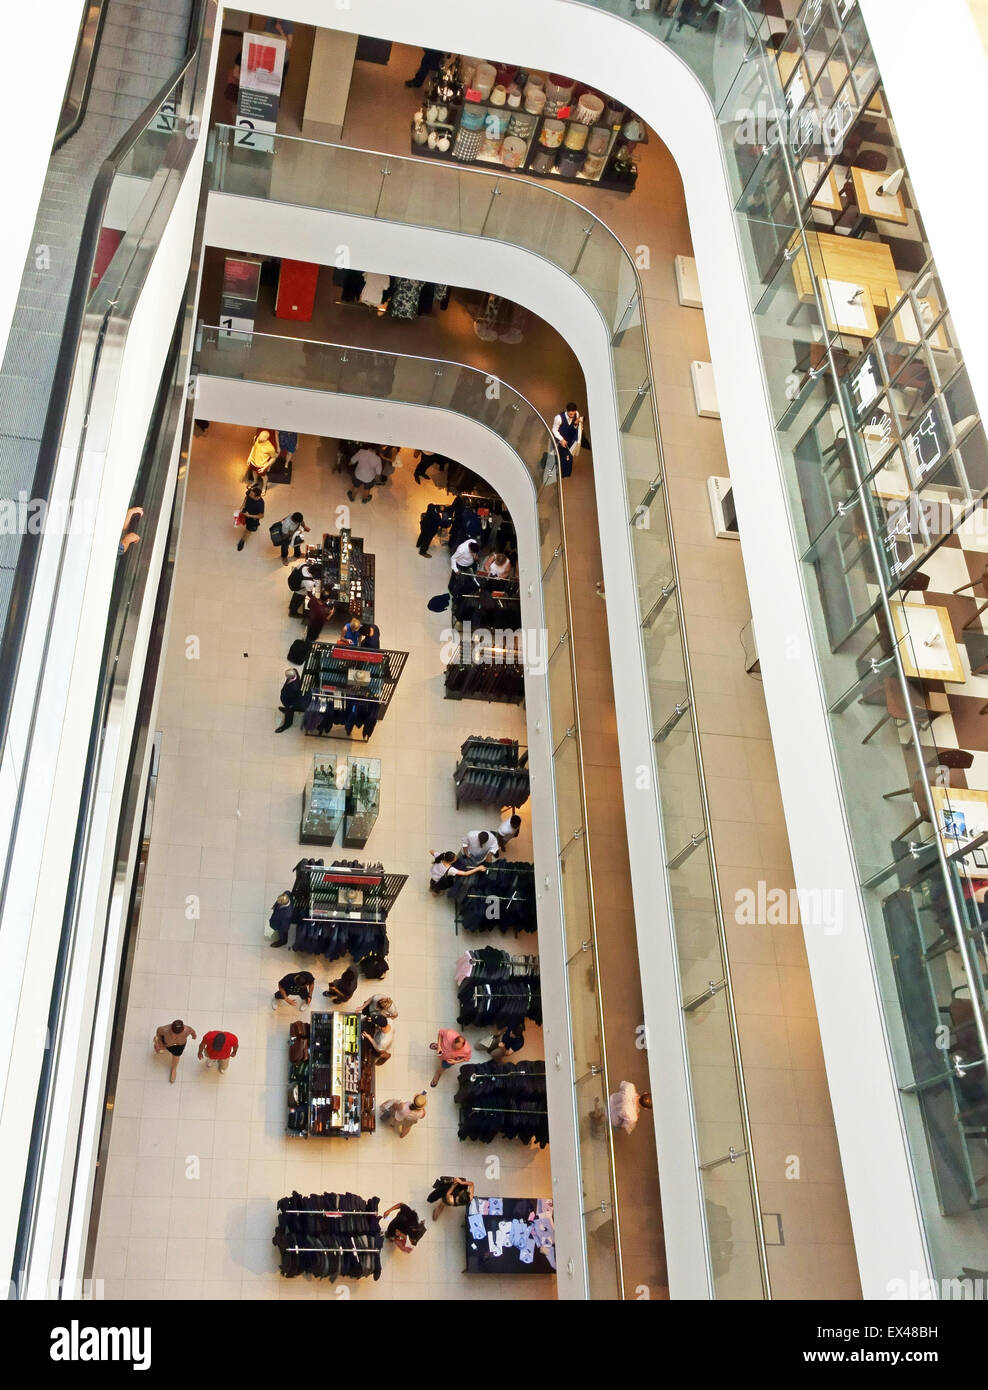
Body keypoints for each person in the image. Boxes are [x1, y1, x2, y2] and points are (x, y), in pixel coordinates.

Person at [154, 1019, 197, 1084]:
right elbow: (158, 1032)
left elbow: (193, 1032)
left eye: (179, 1034)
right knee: (160, 1047)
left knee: (176, 1056)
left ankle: (174, 1068)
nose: (175, 1036)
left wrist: (194, 1036)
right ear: (171, 1028)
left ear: (183, 1029)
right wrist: (159, 1042)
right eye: (173, 1033)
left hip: (179, 1045)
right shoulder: (164, 1029)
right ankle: (156, 1041)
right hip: (167, 1044)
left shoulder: (188, 1029)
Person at [551, 402, 584, 478]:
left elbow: (574, 428)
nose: (572, 416)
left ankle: (565, 474)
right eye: (570, 414)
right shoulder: (558, 418)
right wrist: (561, 440)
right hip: (561, 440)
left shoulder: (576, 414)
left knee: (568, 457)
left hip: (570, 440)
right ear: (566, 410)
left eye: (573, 414)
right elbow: (554, 430)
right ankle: (562, 474)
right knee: (566, 457)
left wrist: (575, 424)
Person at [275, 667, 306, 733]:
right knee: (288, 709)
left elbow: (294, 697)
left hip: (289, 702)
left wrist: (290, 705)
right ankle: (286, 709)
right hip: (286, 699)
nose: (286, 677)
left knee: (289, 713)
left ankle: (287, 724)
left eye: (287, 676)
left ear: (291, 677)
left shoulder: (294, 687)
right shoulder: (294, 672)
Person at [236, 483, 264, 551]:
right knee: (243, 522)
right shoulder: (249, 494)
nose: (249, 495)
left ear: (257, 497)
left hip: (253, 518)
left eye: (251, 495)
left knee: (248, 530)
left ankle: (242, 540)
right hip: (246, 513)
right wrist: (242, 507)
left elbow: (261, 516)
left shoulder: (260, 504)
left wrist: (249, 515)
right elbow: (246, 498)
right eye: (250, 494)